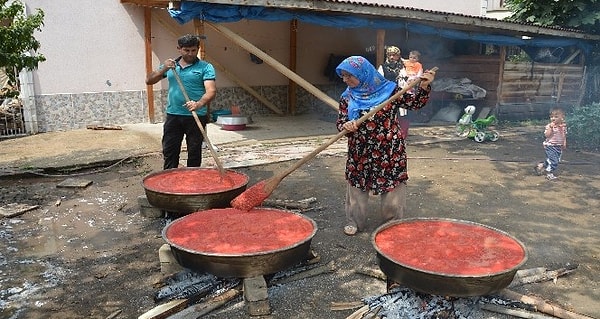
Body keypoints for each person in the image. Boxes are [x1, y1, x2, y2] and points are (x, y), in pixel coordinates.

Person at [335, 56, 435, 236]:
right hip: (360, 151)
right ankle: (355, 221)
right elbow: (341, 121)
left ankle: (392, 224)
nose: (345, 80)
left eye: (349, 76)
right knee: (357, 188)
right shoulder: (348, 97)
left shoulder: (390, 91)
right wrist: (346, 125)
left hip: (389, 150)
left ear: (363, 73)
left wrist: (424, 86)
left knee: (392, 190)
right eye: (343, 76)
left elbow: (415, 103)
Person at [146, 34, 217, 170]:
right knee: (170, 150)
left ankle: (192, 180)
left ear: (197, 49)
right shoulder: (170, 66)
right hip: (174, 115)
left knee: (194, 151)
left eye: (193, 50)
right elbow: (149, 80)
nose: (190, 54)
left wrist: (198, 104)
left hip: (196, 115)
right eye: (186, 50)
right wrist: (163, 69)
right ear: (179, 48)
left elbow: (211, 91)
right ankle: (170, 179)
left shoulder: (205, 67)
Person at [377, 45, 410, 138]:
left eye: (394, 55)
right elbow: (379, 80)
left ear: (398, 56)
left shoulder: (402, 67)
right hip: (387, 94)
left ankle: (401, 134)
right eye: (390, 55)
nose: (392, 57)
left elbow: (406, 79)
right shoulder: (382, 67)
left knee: (401, 114)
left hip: (399, 93)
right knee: (386, 114)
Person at [534, 107, 567, 181]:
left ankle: (540, 166)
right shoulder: (549, 126)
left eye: (556, 116)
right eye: (551, 117)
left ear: (562, 117)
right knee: (554, 161)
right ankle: (549, 173)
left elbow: (564, 135)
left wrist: (564, 143)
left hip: (558, 146)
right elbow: (547, 135)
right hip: (550, 146)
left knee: (553, 160)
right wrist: (551, 128)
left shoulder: (563, 126)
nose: (553, 118)